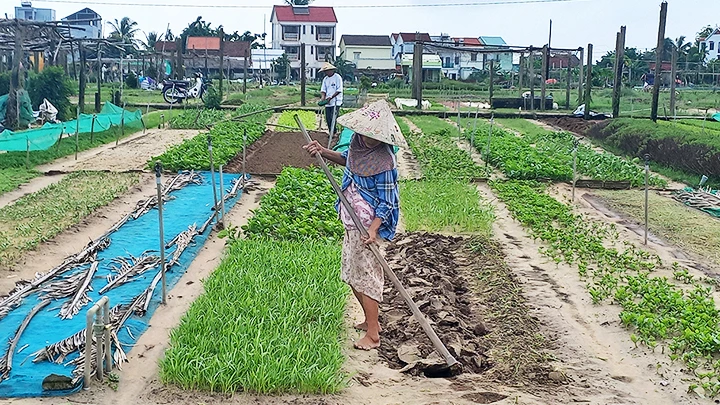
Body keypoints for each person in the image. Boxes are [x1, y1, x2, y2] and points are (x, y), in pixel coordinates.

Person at [303, 100, 408, 351]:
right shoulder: (357, 145)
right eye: (365, 132)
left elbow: (388, 202)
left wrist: (373, 230)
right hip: (350, 219)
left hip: (366, 226)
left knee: (367, 278)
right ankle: (371, 322)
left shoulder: (384, 161)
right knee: (351, 275)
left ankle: (373, 335)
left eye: (373, 136)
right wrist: (323, 151)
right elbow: (348, 160)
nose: (367, 138)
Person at [319, 62, 343, 134]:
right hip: (328, 102)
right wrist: (323, 98)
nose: (326, 73)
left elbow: (339, 90)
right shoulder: (325, 79)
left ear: (332, 70)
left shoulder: (337, 77)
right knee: (328, 119)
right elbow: (323, 90)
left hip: (336, 102)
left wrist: (331, 97)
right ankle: (331, 132)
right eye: (325, 71)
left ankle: (334, 133)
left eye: (327, 71)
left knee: (333, 118)